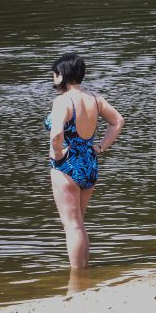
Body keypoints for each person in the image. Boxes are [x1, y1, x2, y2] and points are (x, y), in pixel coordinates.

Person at [45, 54, 124, 269]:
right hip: (89, 161)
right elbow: (118, 121)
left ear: (62, 75)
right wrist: (101, 147)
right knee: (79, 222)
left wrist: (58, 154)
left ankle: (77, 277)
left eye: (55, 74)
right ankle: (85, 270)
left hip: (67, 165)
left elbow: (56, 134)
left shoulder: (63, 101)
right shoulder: (95, 99)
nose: (53, 79)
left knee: (72, 225)